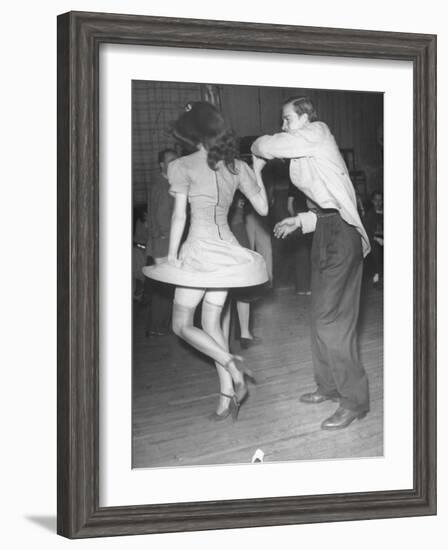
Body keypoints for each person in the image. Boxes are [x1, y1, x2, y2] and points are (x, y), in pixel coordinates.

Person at [144, 101, 269, 421]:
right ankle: (226, 396)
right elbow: (264, 210)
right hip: (227, 252)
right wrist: (258, 171)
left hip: (199, 252)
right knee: (212, 324)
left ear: (194, 134)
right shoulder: (237, 167)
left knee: (181, 325)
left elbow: (179, 217)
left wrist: (172, 259)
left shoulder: (182, 165)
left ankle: (231, 364)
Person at [251, 96, 371, 431]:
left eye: (287, 118)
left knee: (332, 321)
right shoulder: (305, 152)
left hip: (342, 235)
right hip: (326, 230)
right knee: (320, 316)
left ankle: (354, 402)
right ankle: (329, 387)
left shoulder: (318, 131)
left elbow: (268, 145)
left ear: (305, 118)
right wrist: (301, 221)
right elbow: (327, 200)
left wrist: (257, 148)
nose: (283, 124)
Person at [145, 148, 178, 335]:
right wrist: (165, 234)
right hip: (163, 242)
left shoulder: (165, 182)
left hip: (163, 241)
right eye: (170, 161)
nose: (174, 164)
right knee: (165, 287)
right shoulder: (161, 185)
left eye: (176, 160)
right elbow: (159, 216)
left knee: (165, 286)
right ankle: (158, 326)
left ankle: (161, 325)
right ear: (161, 165)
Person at [363, 190, 383, 288]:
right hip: (374, 239)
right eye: (376, 200)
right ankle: (377, 277)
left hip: (383, 237)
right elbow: (367, 231)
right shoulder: (370, 215)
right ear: (372, 201)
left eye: (380, 200)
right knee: (375, 250)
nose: (378, 203)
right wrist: (377, 239)